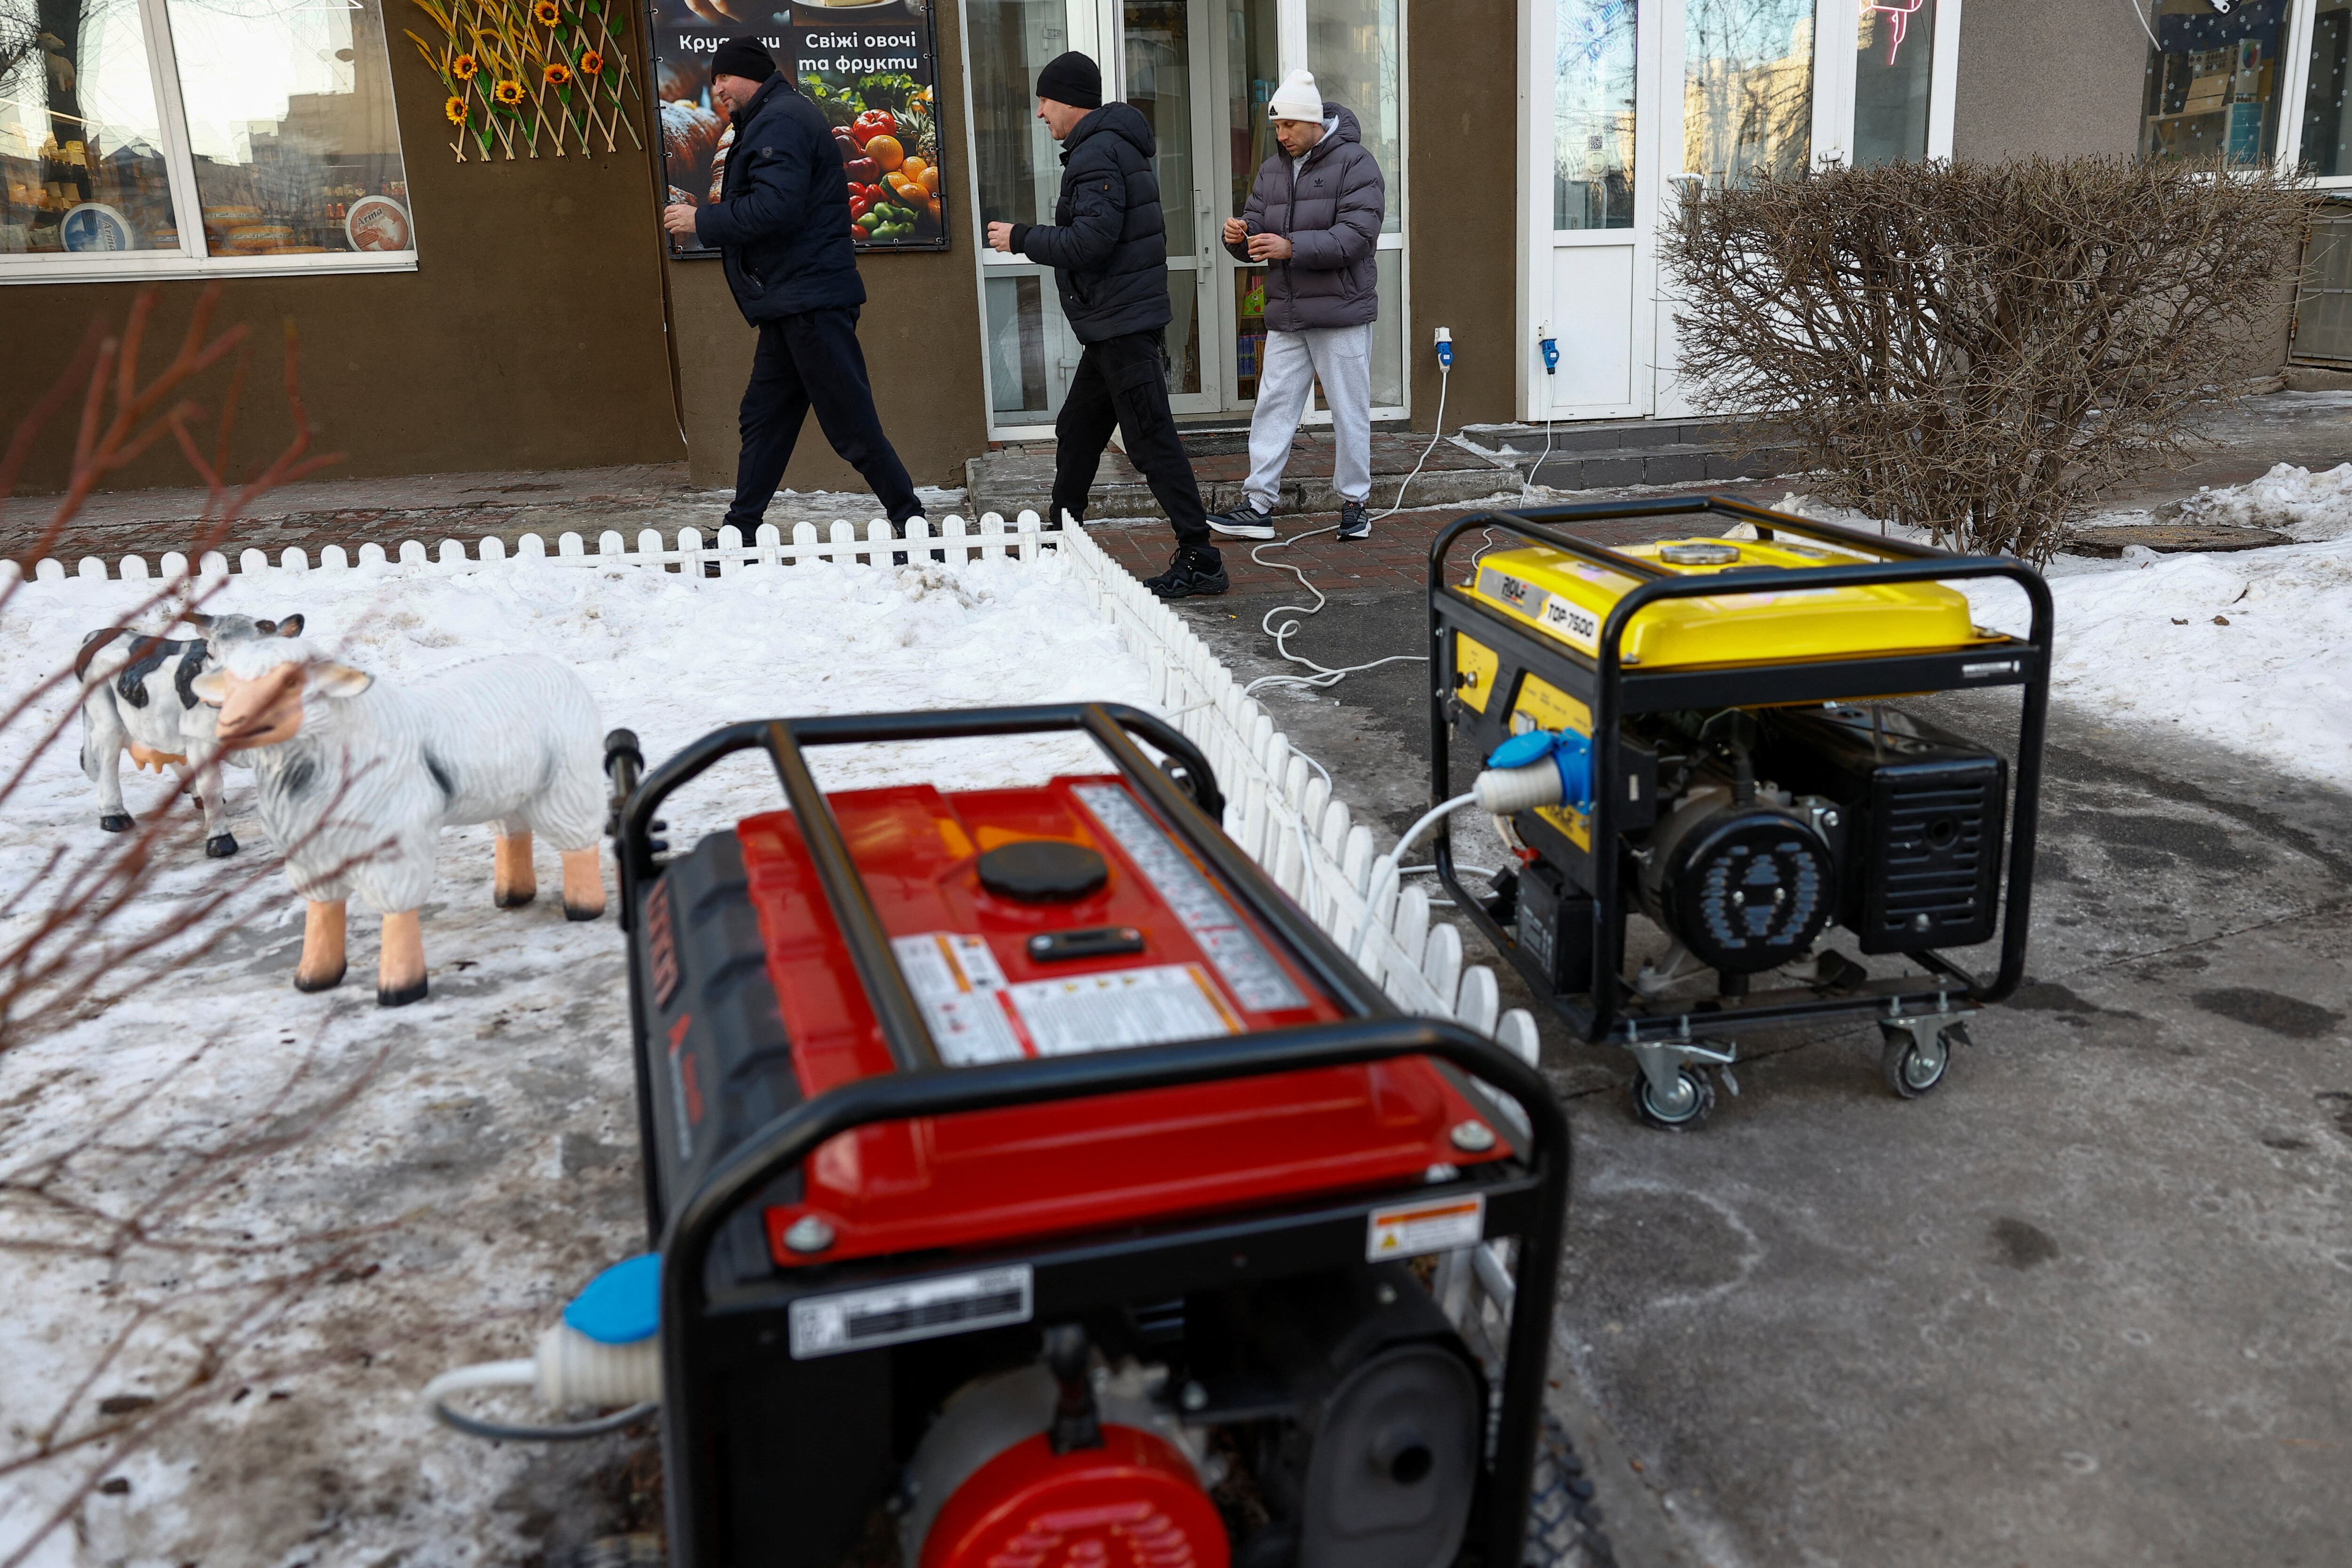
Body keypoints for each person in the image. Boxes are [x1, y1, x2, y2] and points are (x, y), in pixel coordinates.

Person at [983, 52, 1226, 600]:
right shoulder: (1105, 149)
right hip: (1113, 325)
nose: (1040, 113)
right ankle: (1063, 532)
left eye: (1044, 101)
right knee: (1077, 429)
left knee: (1151, 442)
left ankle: (1201, 557)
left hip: (1121, 324)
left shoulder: (1096, 156)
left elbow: (1090, 243)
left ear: (1068, 100)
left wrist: (1022, 237)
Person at [662, 40, 924, 536]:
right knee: (764, 418)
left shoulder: (779, 121)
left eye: (722, 78)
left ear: (749, 76)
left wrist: (703, 219)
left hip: (810, 301)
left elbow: (774, 209)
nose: (715, 88)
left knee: (851, 425)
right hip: (791, 300)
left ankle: (911, 523)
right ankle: (740, 531)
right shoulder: (770, 118)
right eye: (713, 80)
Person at [1211, 68, 1386, 543]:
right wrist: (1238, 238)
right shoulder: (1271, 170)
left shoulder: (1356, 164)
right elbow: (1255, 229)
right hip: (1288, 313)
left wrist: (1290, 247)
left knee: (1349, 411)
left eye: (1289, 126)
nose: (1281, 135)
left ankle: (1355, 504)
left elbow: (1356, 238)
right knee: (1272, 406)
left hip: (1339, 312)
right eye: (1276, 128)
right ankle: (1257, 505)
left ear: (1313, 121)